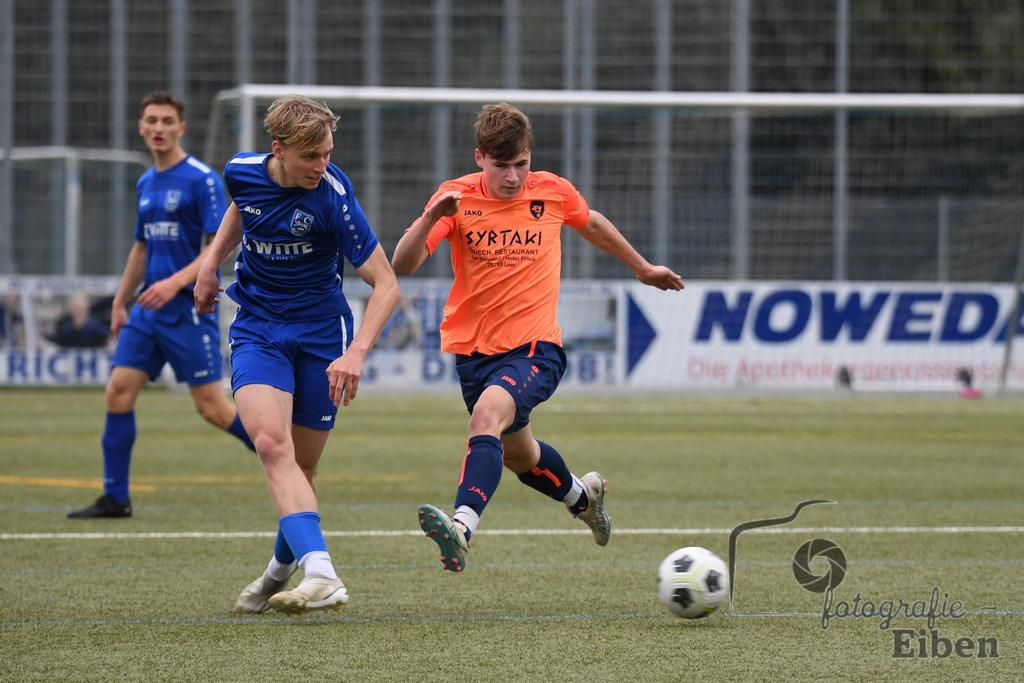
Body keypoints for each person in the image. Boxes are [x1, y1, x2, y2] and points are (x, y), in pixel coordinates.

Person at [392, 102, 684, 572]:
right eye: (501, 165)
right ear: (479, 157)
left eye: (521, 164)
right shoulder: (455, 198)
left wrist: (642, 268)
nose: (512, 176)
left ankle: (462, 527)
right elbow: (401, 266)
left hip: (536, 349)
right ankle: (581, 499)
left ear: (531, 156)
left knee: (486, 416)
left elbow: (592, 222)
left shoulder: (552, 191)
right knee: (520, 456)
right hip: (474, 355)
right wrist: (430, 218)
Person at [194, 95, 399, 614]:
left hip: (321, 336)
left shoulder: (333, 196)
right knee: (271, 447)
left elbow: (387, 285)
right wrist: (211, 262)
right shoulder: (239, 171)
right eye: (311, 156)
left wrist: (356, 352)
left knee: (301, 471)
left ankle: (276, 573)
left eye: (327, 153)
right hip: (258, 329)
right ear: (278, 149)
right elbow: (243, 207)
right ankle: (323, 573)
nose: (321, 166)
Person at [68, 91, 255, 520]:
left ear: (180, 128)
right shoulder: (146, 181)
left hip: (188, 309)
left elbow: (217, 248)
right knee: (117, 392)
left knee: (212, 408)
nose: (158, 128)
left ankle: (284, 458)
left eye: (167, 121)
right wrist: (120, 302)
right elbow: (140, 247)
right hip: (147, 311)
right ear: (141, 126)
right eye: (151, 120)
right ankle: (116, 498)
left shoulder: (203, 180)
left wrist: (173, 283)